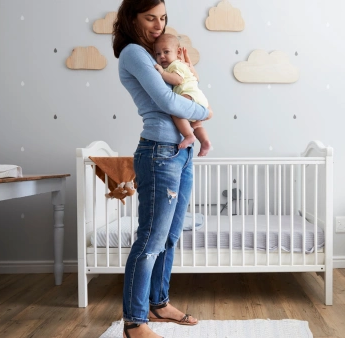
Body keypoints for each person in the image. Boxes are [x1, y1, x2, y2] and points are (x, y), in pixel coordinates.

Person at [112, 1, 213, 337]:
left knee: (169, 236)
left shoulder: (157, 53)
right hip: (159, 153)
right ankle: (134, 322)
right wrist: (202, 111)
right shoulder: (133, 53)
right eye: (150, 18)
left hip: (180, 152)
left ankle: (158, 303)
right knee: (150, 240)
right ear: (132, 18)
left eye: (163, 18)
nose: (158, 25)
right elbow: (167, 102)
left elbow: (182, 83)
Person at [153, 34, 212, 157]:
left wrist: (162, 73)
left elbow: (177, 80)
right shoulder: (182, 65)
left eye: (166, 52)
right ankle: (205, 141)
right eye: (158, 54)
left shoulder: (175, 65)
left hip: (189, 94)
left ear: (178, 52)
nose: (162, 56)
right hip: (199, 97)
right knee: (196, 124)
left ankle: (188, 135)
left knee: (175, 110)